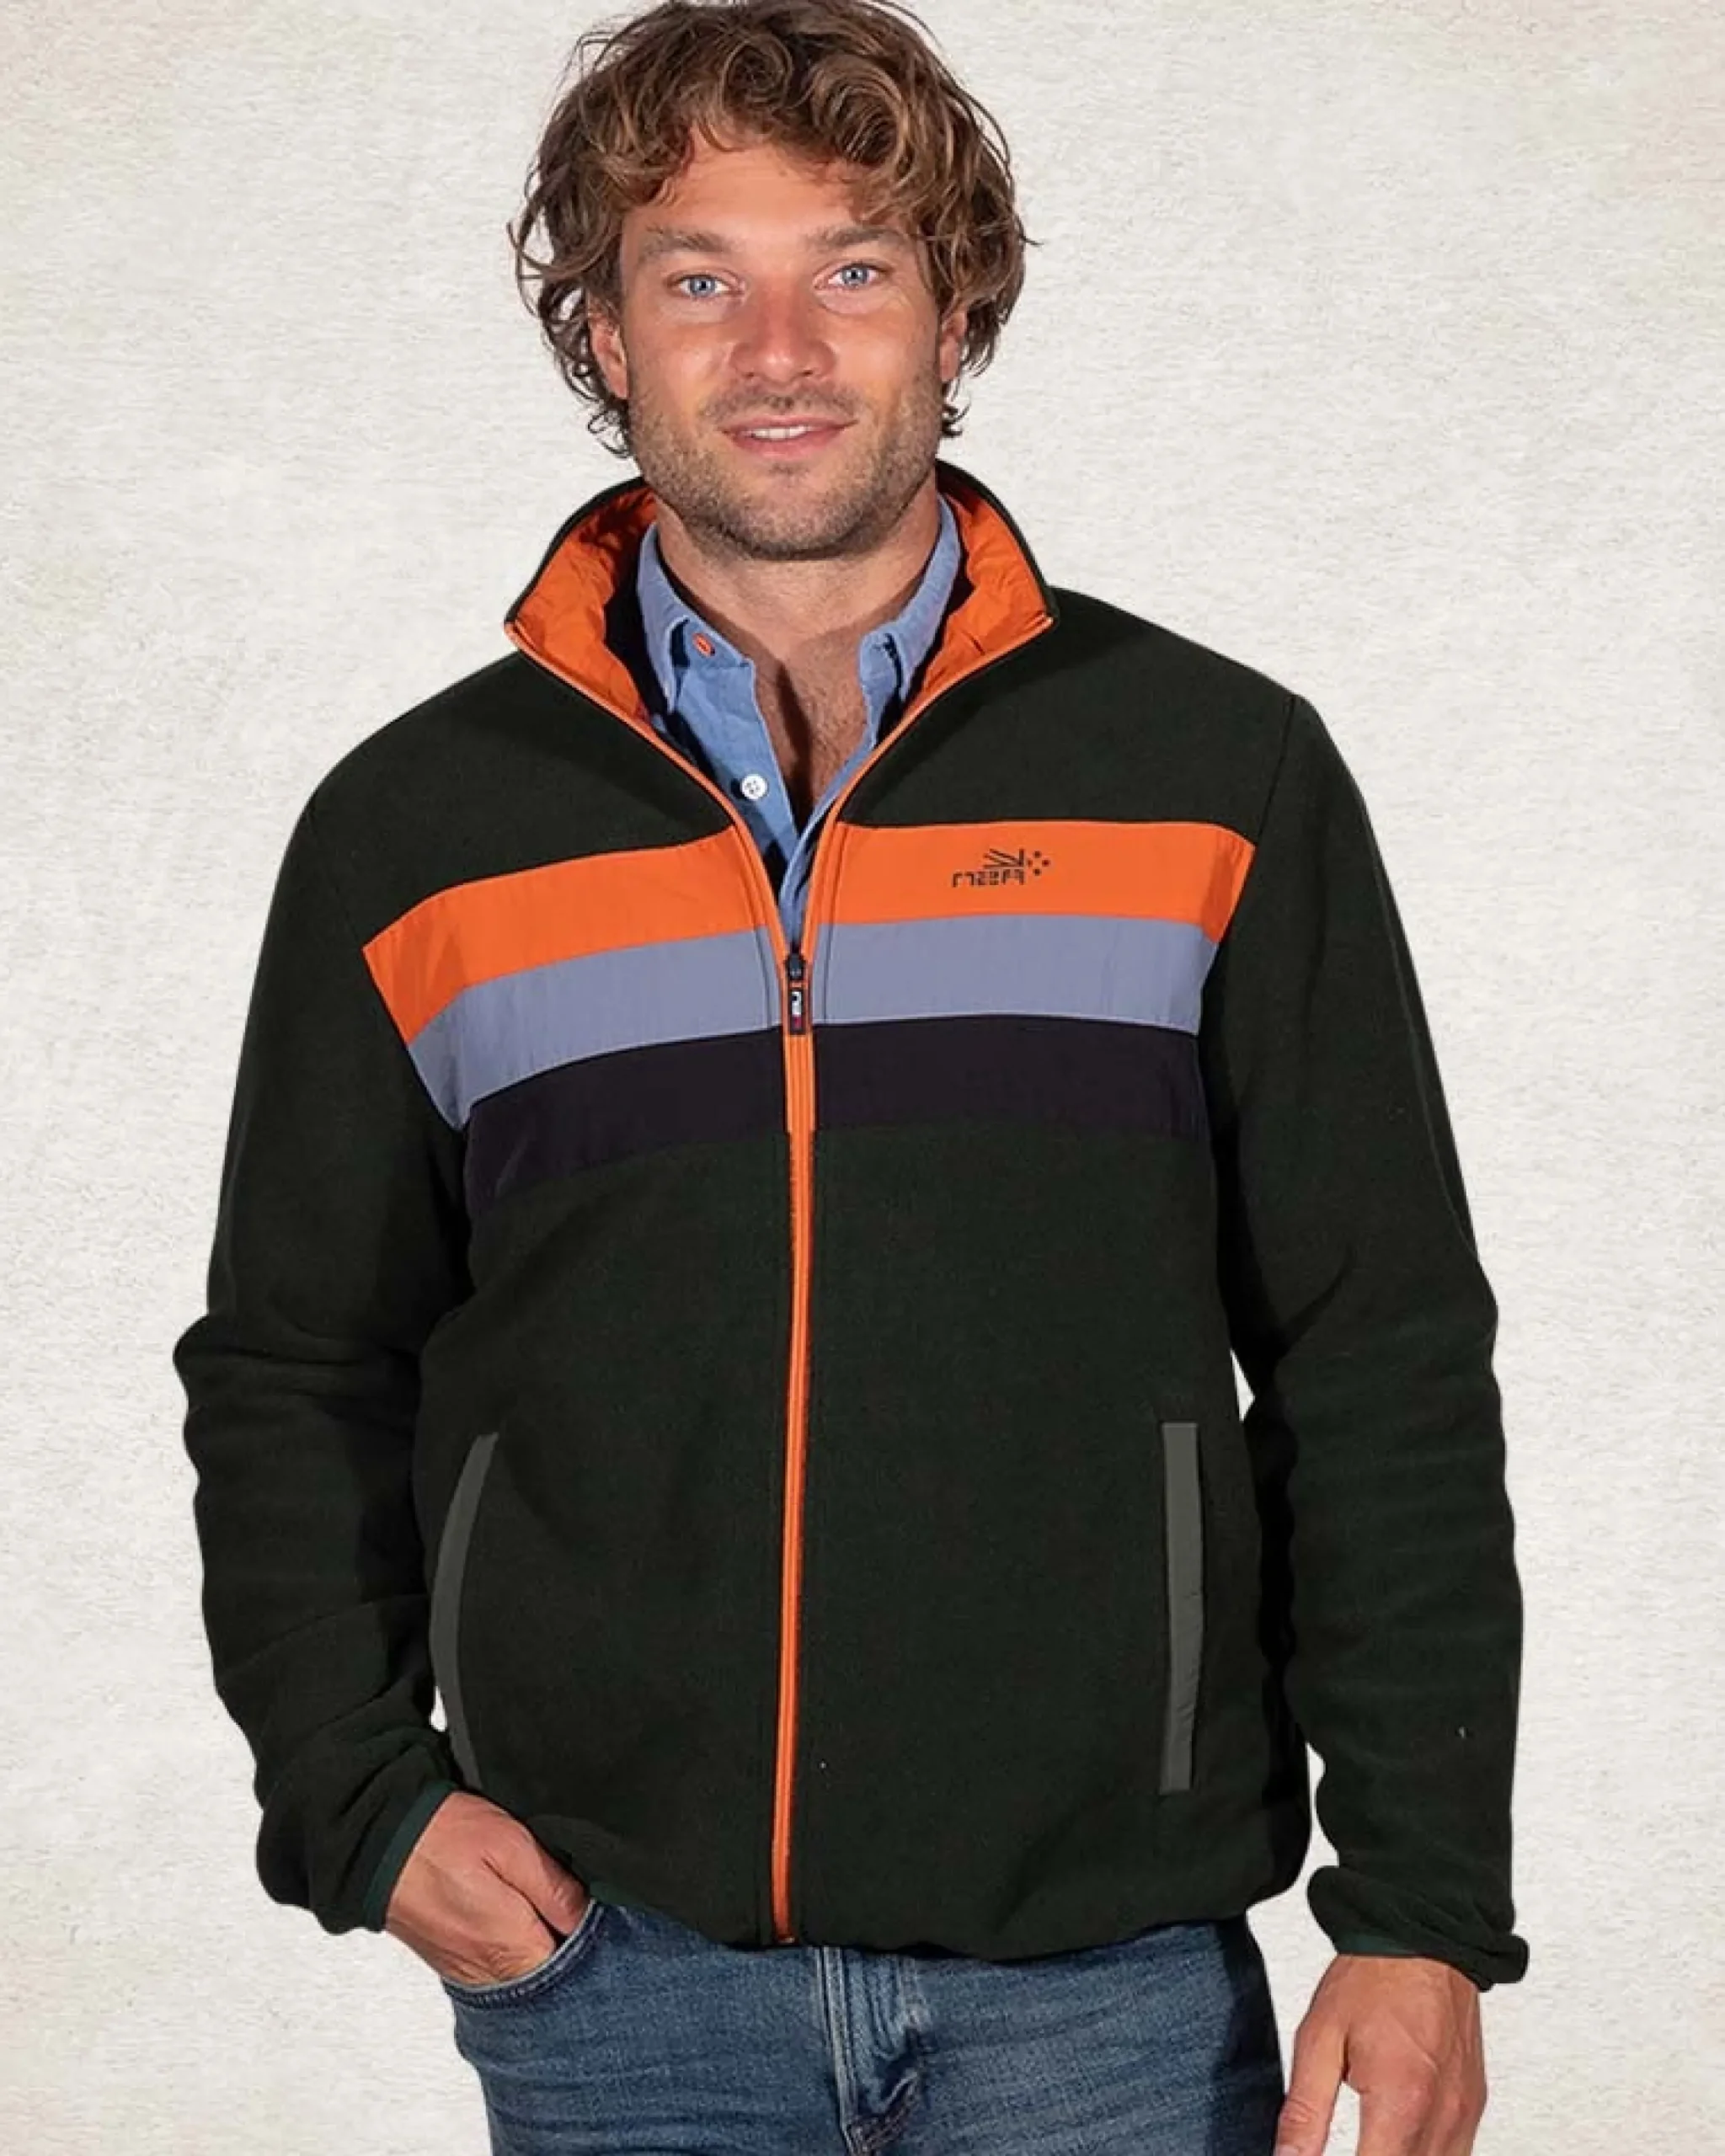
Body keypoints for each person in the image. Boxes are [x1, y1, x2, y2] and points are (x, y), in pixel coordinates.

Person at [171, 3, 1529, 2150]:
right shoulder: (415, 831)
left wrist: (1422, 1905)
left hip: (1106, 1978)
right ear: (604, 332)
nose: (780, 348)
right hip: (615, 1969)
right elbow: (293, 1364)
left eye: (856, 268)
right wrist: (358, 1794)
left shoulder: (1215, 775)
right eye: (699, 276)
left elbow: (1381, 1354)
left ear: (955, 312)